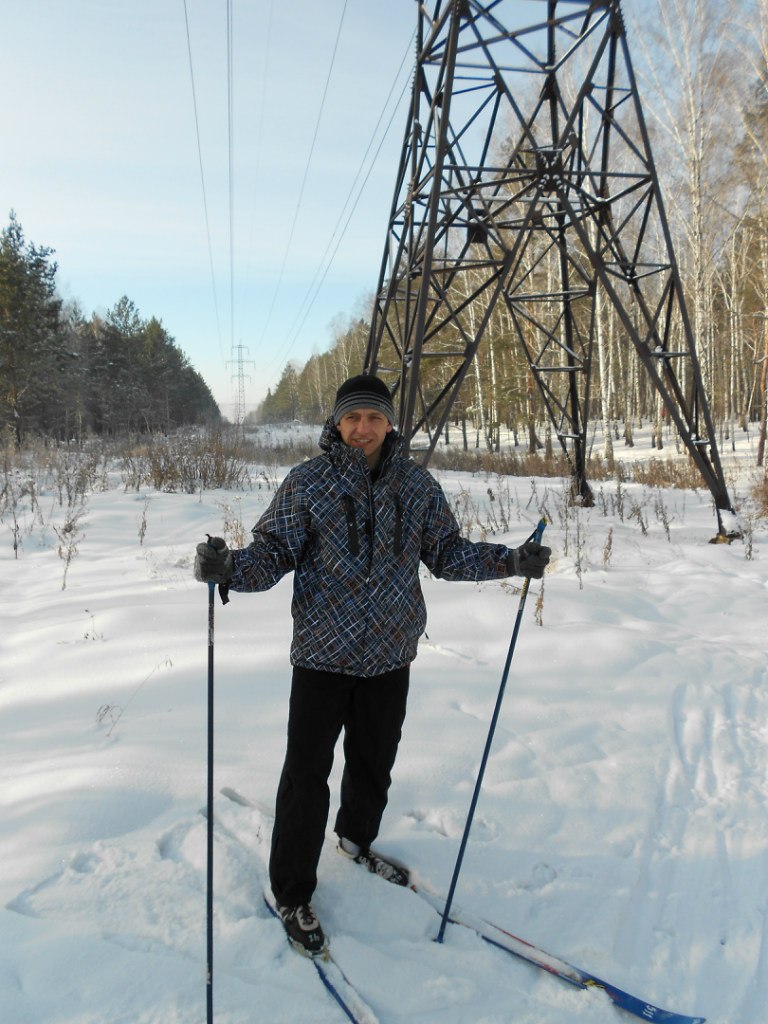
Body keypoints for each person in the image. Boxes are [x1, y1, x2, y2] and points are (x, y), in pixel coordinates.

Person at [195, 373, 550, 956]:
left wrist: (512, 559)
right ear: (336, 423)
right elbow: (273, 554)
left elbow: (448, 554)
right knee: (306, 773)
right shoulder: (307, 483)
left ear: (390, 424)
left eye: (374, 418)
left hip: (389, 652)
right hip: (321, 655)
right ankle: (291, 890)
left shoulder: (416, 486)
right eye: (352, 418)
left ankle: (356, 842)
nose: (363, 428)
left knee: (373, 761)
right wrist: (229, 568)